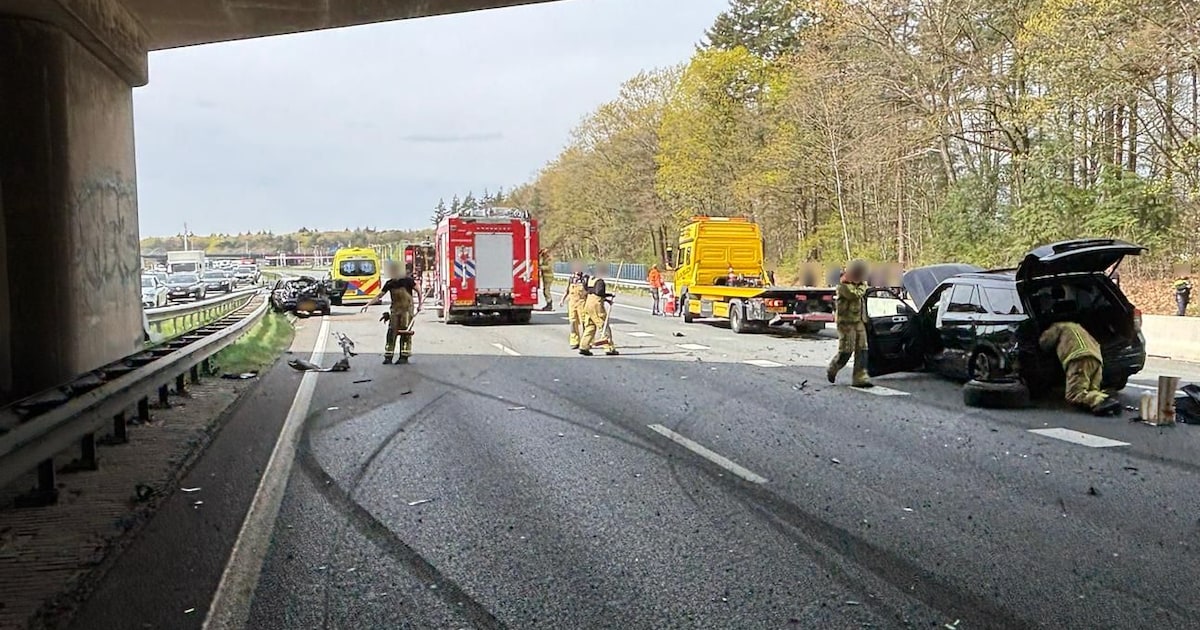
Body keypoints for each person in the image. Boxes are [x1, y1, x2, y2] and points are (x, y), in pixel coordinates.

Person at [1038, 321, 1120, 415]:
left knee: (1074, 394)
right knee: (1091, 390)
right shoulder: (1079, 328)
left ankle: (1103, 400)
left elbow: (1045, 343)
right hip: (1097, 360)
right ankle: (1103, 401)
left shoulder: (1058, 327)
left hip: (1079, 359)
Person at [361, 261, 419, 364]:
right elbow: (379, 296)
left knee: (405, 333)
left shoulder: (408, 281)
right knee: (391, 332)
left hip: (407, 311)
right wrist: (367, 304)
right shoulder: (390, 283)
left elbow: (418, 289)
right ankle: (388, 357)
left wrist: (420, 304)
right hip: (395, 311)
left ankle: (404, 356)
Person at [827, 259, 872, 388]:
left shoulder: (858, 284)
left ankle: (860, 377)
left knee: (862, 349)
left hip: (859, 321)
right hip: (846, 323)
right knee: (846, 350)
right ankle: (833, 367)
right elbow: (855, 294)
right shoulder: (843, 285)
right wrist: (863, 285)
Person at [580, 264, 619, 357]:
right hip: (596, 306)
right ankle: (609, 348)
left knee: (590, 326)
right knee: (603, 325)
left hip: (588, 303)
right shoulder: (600, 281)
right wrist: (609, 295)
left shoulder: (590, 280)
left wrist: (607, 300)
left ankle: (584, 346)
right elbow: (599, 293)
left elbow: (591, 292)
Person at [559, 261, 589, 349]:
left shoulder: (585, 279)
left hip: (582, 303)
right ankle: (574, 341)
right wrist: (562, 300)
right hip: (572, 304)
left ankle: (586, 340)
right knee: (572, 322)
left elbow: (589, 291)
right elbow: (567, 290)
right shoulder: (571, 278)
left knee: (584, 322)